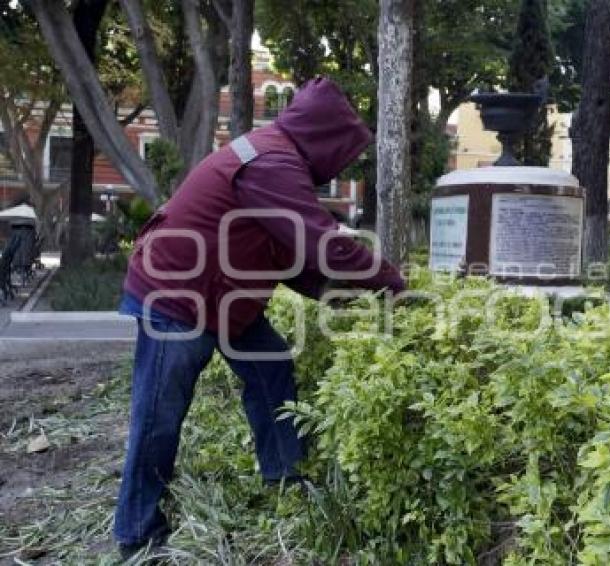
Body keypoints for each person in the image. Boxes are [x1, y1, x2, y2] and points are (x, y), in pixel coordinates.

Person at [114, 77, 405, 558]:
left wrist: (337, 295)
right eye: (344, 152)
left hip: (224, 298)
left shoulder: (276, 159)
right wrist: (395, 285)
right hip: (177, 296)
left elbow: (289, 257)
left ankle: (285, 477)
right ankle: (137, 534)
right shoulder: (272, 162)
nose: (343, 164)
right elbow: (321, 243)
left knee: (271, 369)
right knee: (158, 416)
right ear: (324, 137)